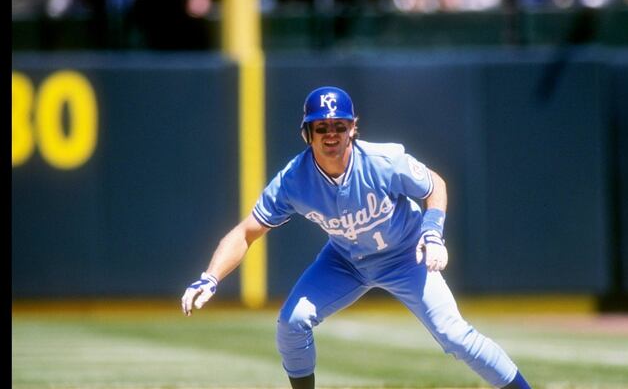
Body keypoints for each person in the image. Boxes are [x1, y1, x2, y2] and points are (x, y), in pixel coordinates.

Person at [181, 86, 532, 389]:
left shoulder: (383, 161)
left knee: (455, 336)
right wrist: (210, 277)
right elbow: (246, 232)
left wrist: (433, 232)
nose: (331, 134)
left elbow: (434, 184)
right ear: (307, 133)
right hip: (346, 260)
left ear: (353, 128)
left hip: (407, 255)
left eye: (339, 125)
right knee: (291, 324)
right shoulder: (293, 180)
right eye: (322, 127)